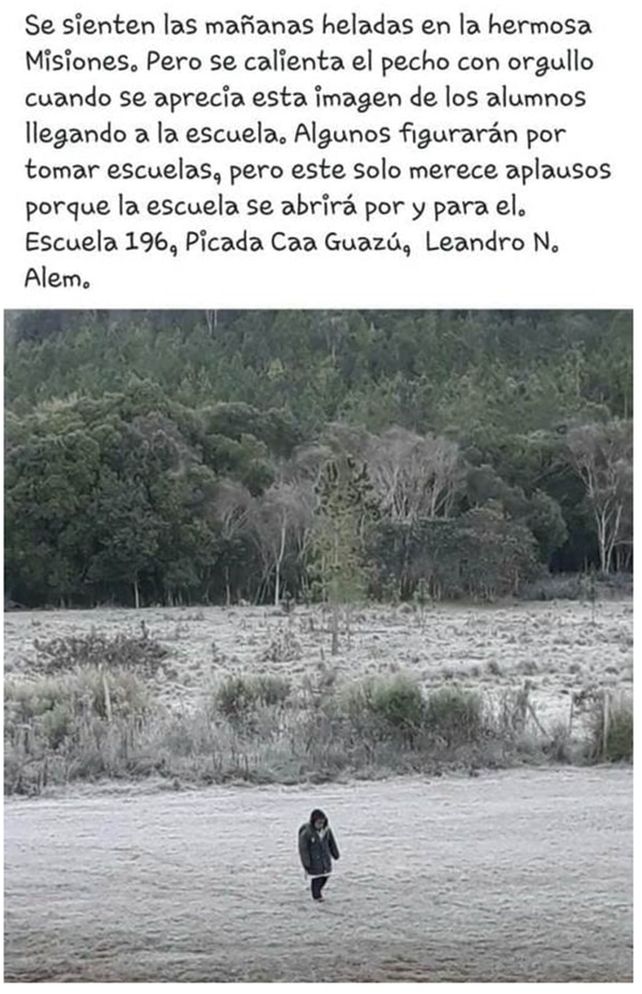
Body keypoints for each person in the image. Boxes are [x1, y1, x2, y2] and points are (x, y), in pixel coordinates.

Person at [298, 808, 340, 902]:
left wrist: (335, 854)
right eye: (318, 822)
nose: (320, 824)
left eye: (322, 822)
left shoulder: (327, 830)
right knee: (316, 879)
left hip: (325, 860)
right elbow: (303, 849)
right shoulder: (307, 833)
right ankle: (317, 897)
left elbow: (331, 842)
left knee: (325, 876)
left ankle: (318, 895)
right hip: (313, 861)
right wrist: (306, 863)